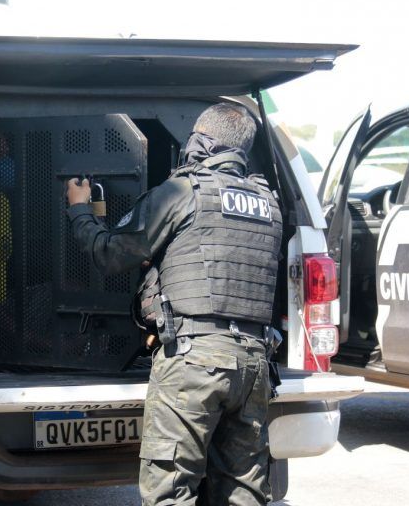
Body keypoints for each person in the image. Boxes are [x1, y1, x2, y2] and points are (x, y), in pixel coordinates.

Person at [66, 103, 282, 505]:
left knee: (170, 490)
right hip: (253, 363)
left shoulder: (183, 192)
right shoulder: (267, 202)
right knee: (244, 492)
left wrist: (80, 209)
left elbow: (109, 254)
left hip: (194, 361)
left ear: (202, 142)